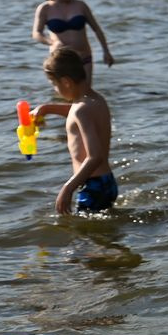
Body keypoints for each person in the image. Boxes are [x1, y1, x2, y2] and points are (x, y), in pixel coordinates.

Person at [34, 48, 116, 215]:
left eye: (54, 85)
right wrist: (46, 108)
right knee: (100, 234)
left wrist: (68, 187)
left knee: (86, 236)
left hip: (92, 185)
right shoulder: (96, 100)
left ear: (66, 82)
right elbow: (75, 112)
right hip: (106, 181)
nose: (55, 90)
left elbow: (95, 157)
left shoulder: (81, 110)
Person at [32, 0, 113, 85]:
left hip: (83, 58)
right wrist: (52, 42)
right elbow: (36, 33)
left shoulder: (81, 6)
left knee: (85, 94)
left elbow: (97, 30)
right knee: (62, 97)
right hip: (60, 60)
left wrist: (106, 51)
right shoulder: (45, 8)